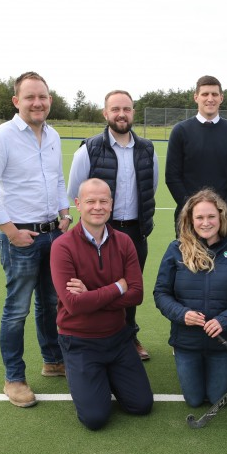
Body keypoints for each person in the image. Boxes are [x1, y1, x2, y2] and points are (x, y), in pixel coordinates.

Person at [0, 71, 71, 408]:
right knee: (16, 310)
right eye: (29, 97)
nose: (37, 102)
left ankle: (53, 360)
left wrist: (65, 213)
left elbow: (58, 179)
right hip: (22, 238)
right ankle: (14, 377)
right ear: (16, 101)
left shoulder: (54, 135)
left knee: (49, 303)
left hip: (52, 235)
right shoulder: (1, 137)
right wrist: (11, 232)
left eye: (42, 96)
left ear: (49, 100)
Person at [50, 179, 153, 429]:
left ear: (111, 204)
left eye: (103, 201)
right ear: (77, 205)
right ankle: (91, 375)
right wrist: (118, 287)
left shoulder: (125, 242)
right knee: (95, 419)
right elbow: (74, 304)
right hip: (80, 342)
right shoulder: (61, 246)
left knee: (141, 406)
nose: (97, 207)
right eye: (90, 201)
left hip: (118, 338)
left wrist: (91, 296)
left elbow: (136, 295)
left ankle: (107, 374)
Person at [68, 90, 158, 361]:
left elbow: (150, 187)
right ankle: (95, 339)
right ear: (105, 113)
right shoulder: (89, 149)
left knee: (130, 290)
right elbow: (76, 191)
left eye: (127, 109)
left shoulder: (147, 149)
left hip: (134, 231)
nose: (122, 114)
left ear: (133, 113)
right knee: (98, 286)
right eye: (116, 109)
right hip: (100, 233)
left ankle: (129, 337)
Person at [153, 190, 227, 407]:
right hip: (187, 342)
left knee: (218, 399)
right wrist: (182, 314)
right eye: (199, 217)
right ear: (190, 219)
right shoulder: (175, 249)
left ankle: (222, 367)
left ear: (221, 217)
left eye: (211, 217)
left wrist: (224, 320)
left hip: (222, 342)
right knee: (194, 400)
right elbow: (161, 293)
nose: (206, 222)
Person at [165, 75, 227, 226]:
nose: (210, 99)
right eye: (205, 94)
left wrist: (225, 208)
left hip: (223, 217)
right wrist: (191, 209)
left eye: (214, 94)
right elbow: (172, 176)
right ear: (196, 97)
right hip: (188, 216)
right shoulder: (180, 131)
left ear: (221, 98)